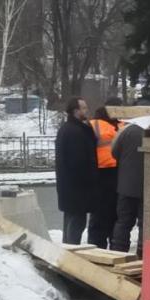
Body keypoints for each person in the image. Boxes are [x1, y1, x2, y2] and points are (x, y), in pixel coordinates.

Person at [55, 97, 97, 245]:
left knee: (70, 219)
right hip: (77, 188)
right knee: (76, 223)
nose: (87, 110)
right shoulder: (76, 132)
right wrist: (90, 181)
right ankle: (72, 252)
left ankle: (67, 250)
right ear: (75, 111)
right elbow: (78, 162)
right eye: (84, 108)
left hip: (69, 188)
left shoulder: (68, 129)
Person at [87, 97, 124, 249]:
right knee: (107, 215)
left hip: (110, 174)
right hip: (107, 175)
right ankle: (101, 248)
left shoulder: (121, 125)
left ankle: (101, 246)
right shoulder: (95, 125)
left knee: (107, 215)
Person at [110, 118, 145, 257]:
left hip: (126, 186)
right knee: (144, 223)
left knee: (123, 222)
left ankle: (118, 252)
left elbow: (114, 152)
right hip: (147, 187)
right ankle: (142, 253)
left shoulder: (128, 130)